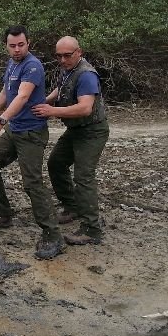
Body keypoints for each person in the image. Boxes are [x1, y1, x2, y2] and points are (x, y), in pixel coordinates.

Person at [0, 25, 64, 260]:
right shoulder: (12, 64)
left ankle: (52, 235)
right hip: (14, 130)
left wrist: (1, 121)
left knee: (32, 183)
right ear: (6, 46)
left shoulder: (32, 66)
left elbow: (23, 96)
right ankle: (2, 213)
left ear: (28, 43)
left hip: (31, 133)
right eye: (12, 46)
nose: (17, 49)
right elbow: (6, 93)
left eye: (21, 45)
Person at [33, 36, 109, 245]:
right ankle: (72, 206)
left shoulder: (87, 75)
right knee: (56, 163)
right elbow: (62, 88)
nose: (63, 60)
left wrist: (51, 111)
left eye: (67, 55)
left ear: (79, 52)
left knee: (84, 177)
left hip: (92, 131)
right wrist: (45, 101)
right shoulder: (68, 69)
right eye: (59, 56)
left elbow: (85, 108)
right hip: (75, 129)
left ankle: (92, 229)